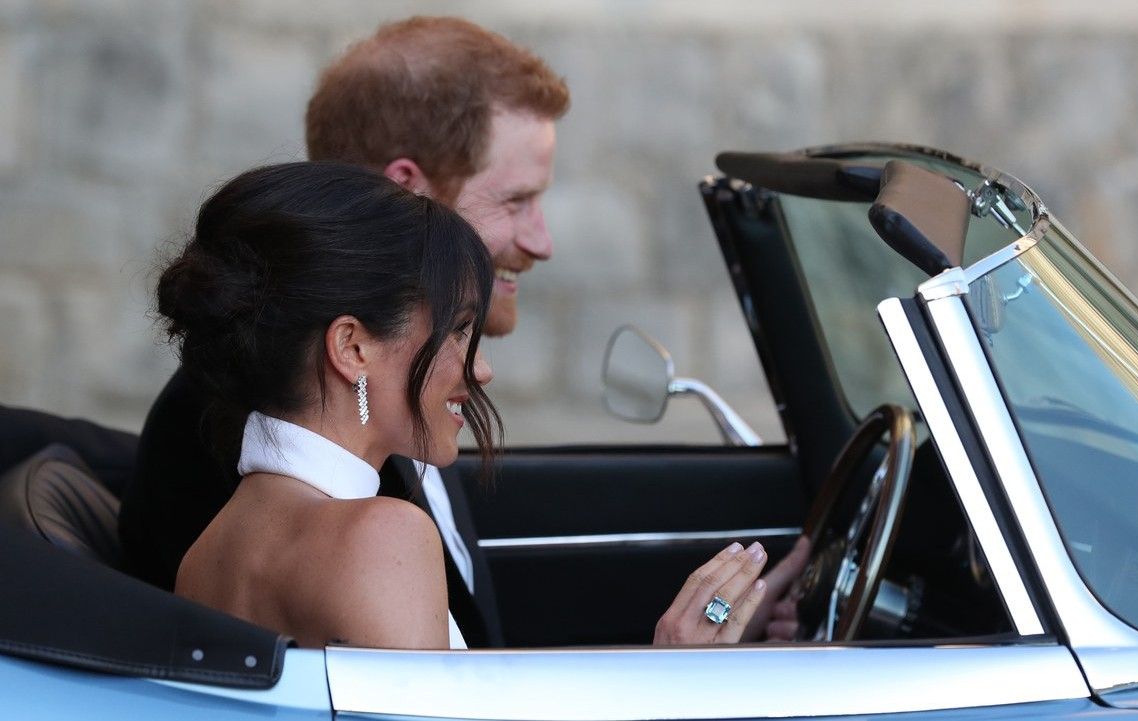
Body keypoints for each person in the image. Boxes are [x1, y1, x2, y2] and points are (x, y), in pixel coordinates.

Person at [161, 162, 769, 649]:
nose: (480, 369)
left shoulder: (207, 554)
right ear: (352, 347)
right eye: (455, 331)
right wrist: (676, 671)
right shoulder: (381, 536)